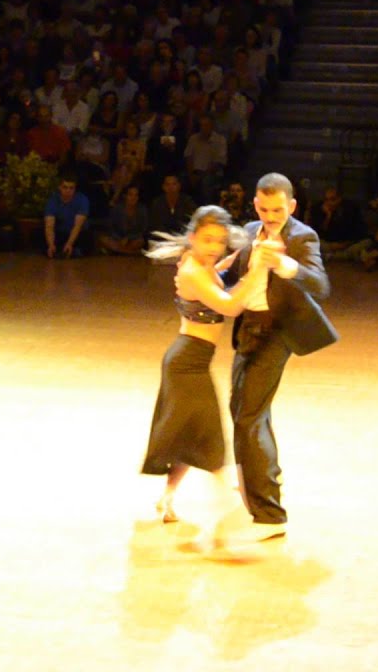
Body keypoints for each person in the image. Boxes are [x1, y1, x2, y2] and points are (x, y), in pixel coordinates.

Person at [210, 173, 338, 543]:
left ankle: (270, 515)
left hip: (278, 332)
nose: (270, 216)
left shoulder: (302, 237)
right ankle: (251, 486)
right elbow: (234, 272)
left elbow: (321, 284)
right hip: (248, 329)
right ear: (255, 205)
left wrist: (286, 266)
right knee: (242, 409)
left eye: (277, 210)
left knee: (250, 415)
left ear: (292, 206)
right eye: (264, 209)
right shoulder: (250, 230)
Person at [141, 205, 265, 549]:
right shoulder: (194, 270)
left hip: (191, 361)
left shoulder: (204, 265)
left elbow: (220, 271)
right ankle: (233, 517)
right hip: (186, 364)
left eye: (219, 241)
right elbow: (229, 306)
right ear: (193, 237)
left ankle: (166, 498)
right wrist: (255, 275)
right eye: (207, 239)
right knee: (211, 437)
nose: (214, 247)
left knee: (187, 434)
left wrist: (244, 255)